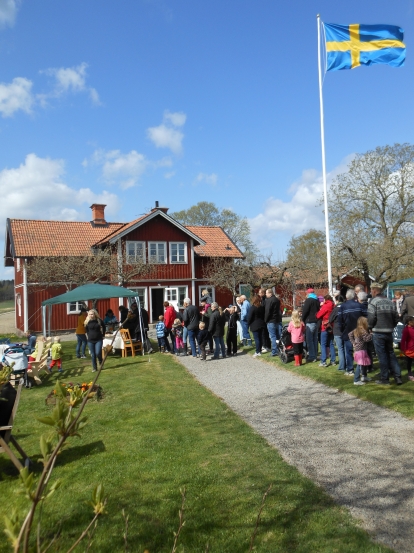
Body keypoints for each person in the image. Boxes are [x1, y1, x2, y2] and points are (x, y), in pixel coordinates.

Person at [367, 282, 402, 385]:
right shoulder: (390, 301)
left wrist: (370, 327)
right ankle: (398, 376)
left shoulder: (373, 301)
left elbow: (371, 317)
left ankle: (384, 378)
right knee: (391, 354)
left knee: (382, 355)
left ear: (374, 290)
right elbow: (396, 317)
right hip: (389, 332)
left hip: (378, 332)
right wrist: (391, 326)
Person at [337, 289, 367, 376]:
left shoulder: (343, 306)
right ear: (354, 296)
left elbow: (340, 321)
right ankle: (362, 370)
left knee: (349, 351)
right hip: (360, 331)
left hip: (348, 331)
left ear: (346, 297)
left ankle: (350, 369)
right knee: (361, 350)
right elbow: (366, 317)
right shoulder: (360, 306)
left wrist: (342, 330)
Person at [348, 317, 372, 385]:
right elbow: (366, 339)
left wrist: (353, 342)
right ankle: (356, 379)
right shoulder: (363, 331)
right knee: (360, 365)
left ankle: (364, 376)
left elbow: (349, 334)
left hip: (358, 350)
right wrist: (371, 334)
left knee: (364, 363)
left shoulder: (356, 330)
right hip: (361, 350)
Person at [301, 288, 320, 363]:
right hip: (316, 321)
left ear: (308, 293)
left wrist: (302, 319)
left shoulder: (308, 300)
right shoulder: (316, 300)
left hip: (309, 321)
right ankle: (315, 354)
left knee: (309, 340)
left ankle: (312, 356)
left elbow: (305, 311)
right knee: (315, 340)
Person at [316, 295, 336, 367]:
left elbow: (318, 315)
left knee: (323, 344)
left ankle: (323, 361)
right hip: (331, 326)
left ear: (325, 299)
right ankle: (333, 360)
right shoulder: (333, 305)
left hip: (325, 326)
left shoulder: (326, 305)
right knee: (331, 343)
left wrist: (321, 307)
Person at [329, 295, 345, 371]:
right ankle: (348, 365)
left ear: (337, 300)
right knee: (346, 348)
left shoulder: (336, 309)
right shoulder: (346, 307)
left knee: (340, 349)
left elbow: (330, 319)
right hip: (346, 330)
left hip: (337, 330)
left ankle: (342, 366)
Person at [264, 288, 282, 357]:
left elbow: (267, 311)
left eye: (266, 293)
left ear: (270, 293)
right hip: (277, 320)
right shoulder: (277, 300)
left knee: (273, 336)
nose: (266, 294)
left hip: (271, 320)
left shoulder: (269, 300)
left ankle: (274, 351)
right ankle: (279, 349)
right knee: (278, 336)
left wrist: (266, 320)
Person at [400, 316, 414, 381]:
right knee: (409, 362)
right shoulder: (406, 330)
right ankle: (410, 373)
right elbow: (403, 340)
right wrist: (402, 349)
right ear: (409, 322)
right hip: (409, 349)